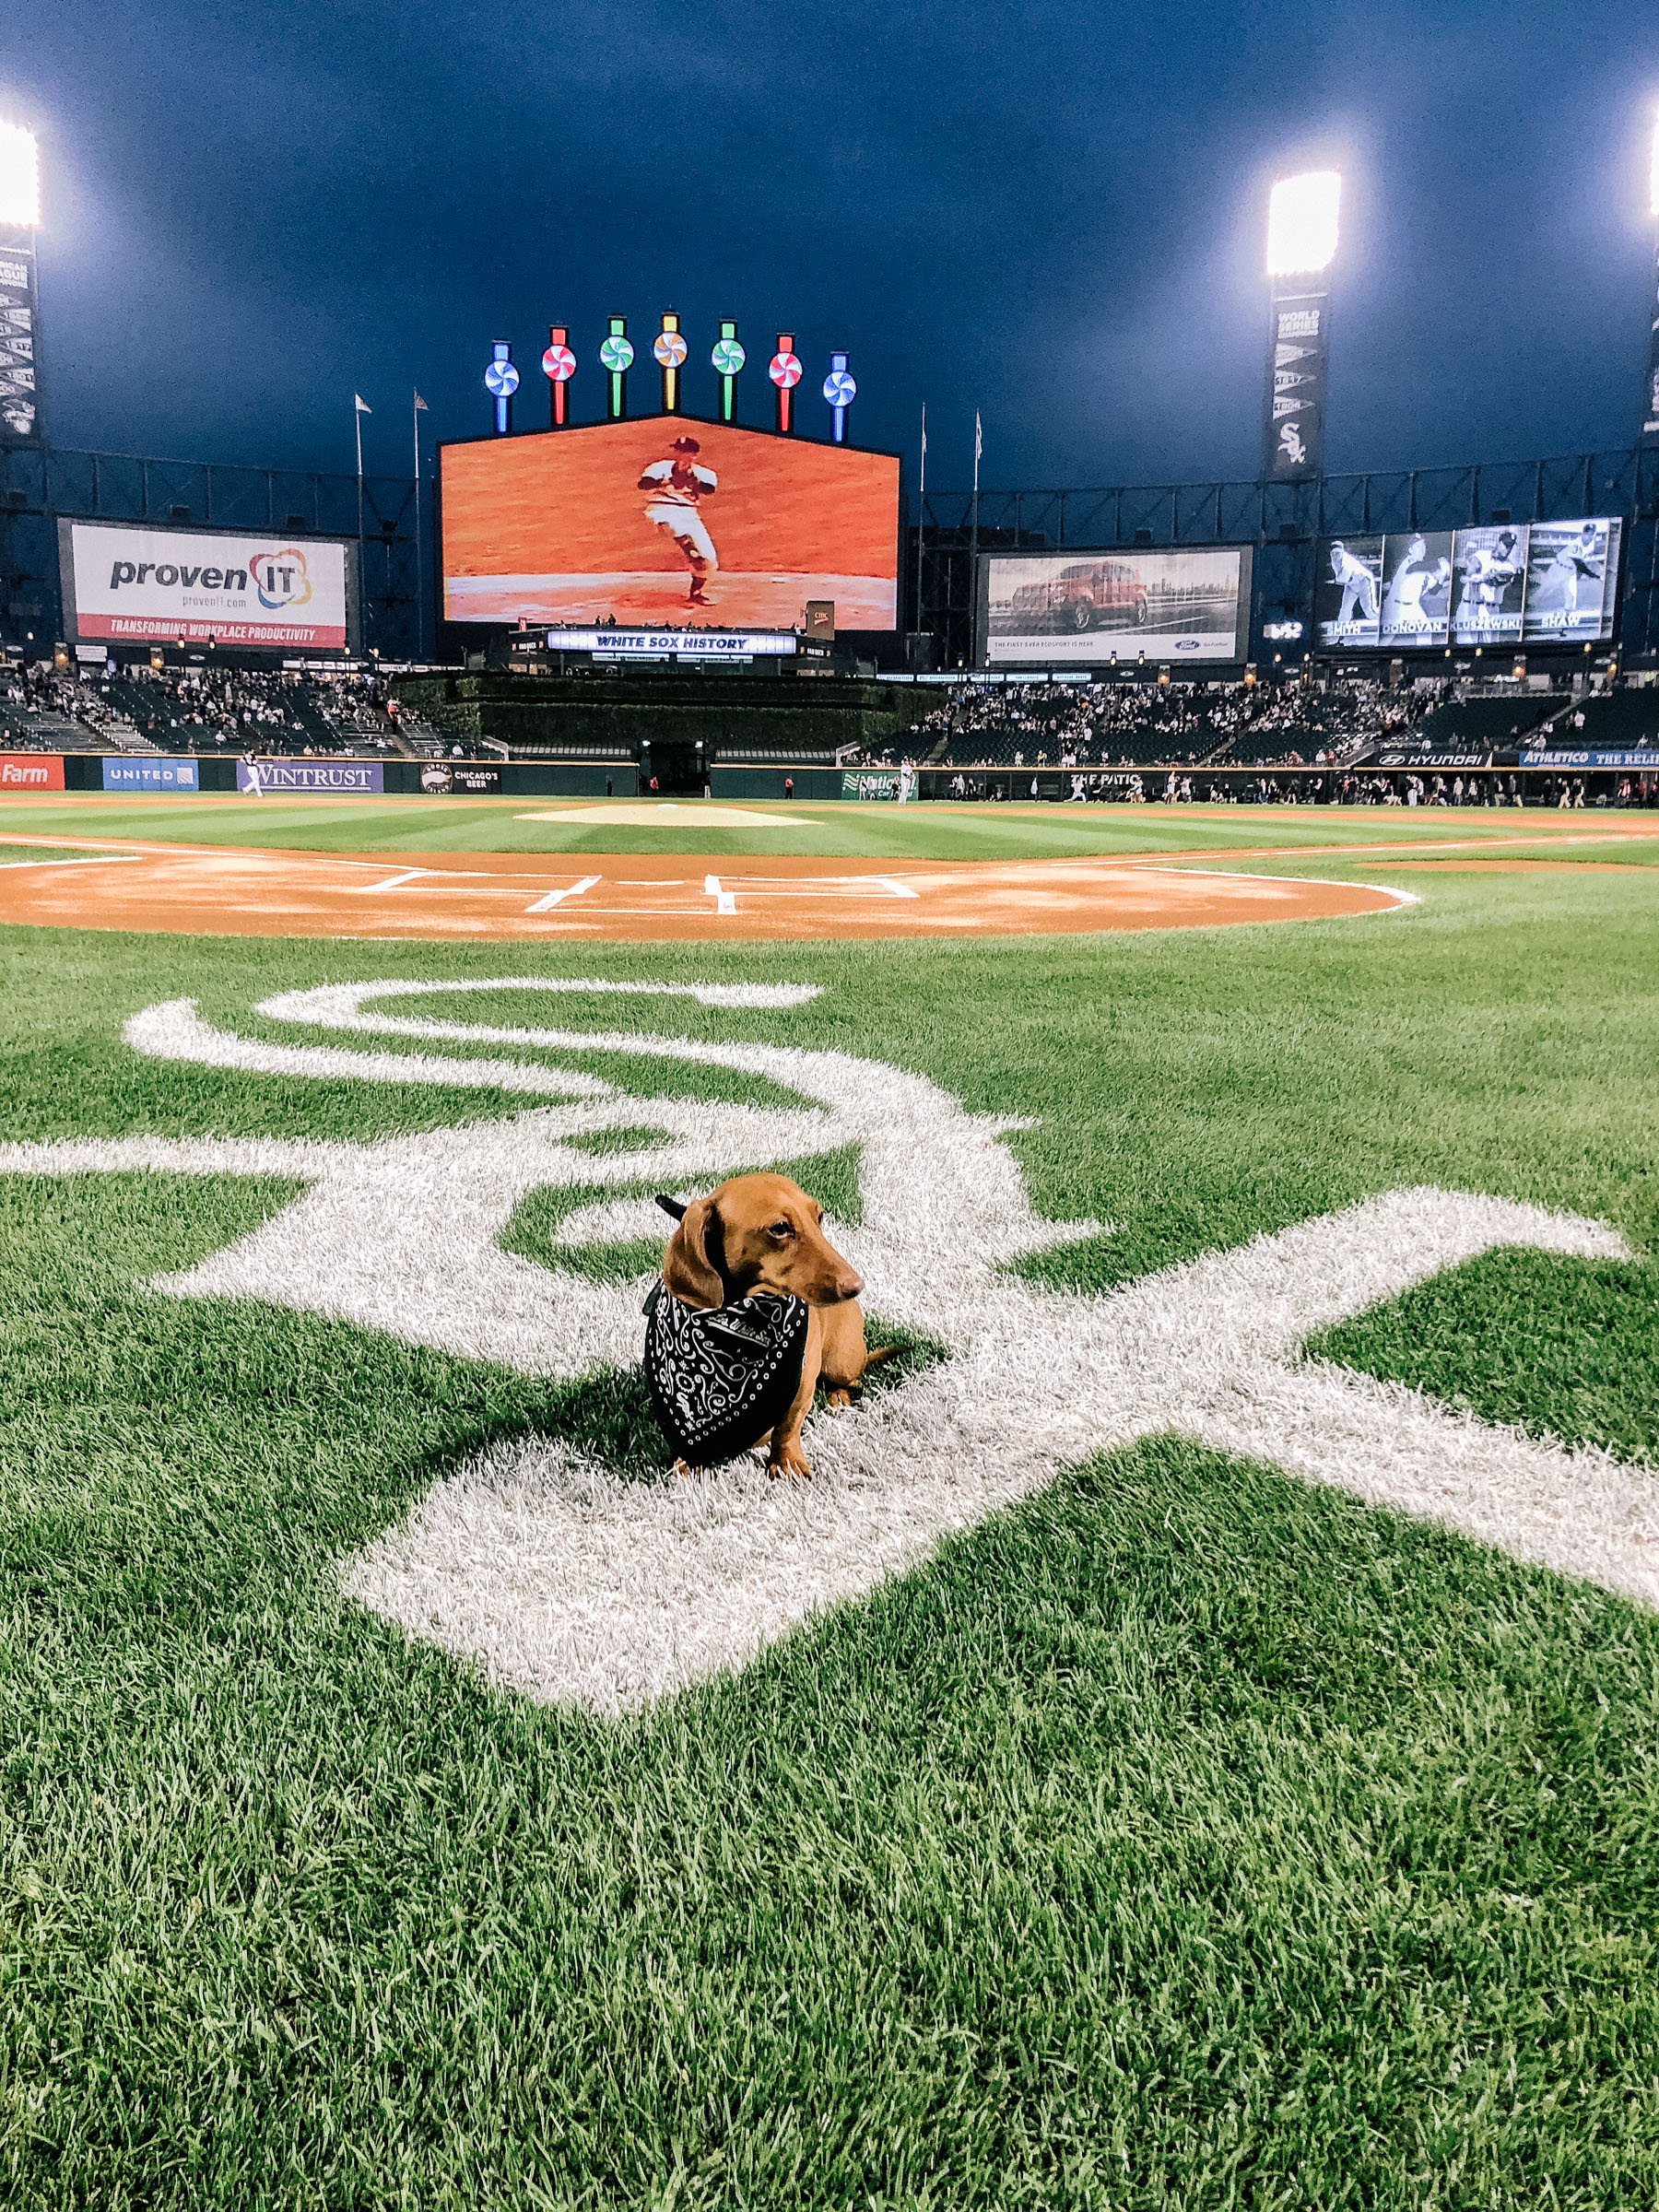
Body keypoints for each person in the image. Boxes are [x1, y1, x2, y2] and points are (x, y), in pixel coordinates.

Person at [638, 435, 719, 606]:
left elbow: (709, 490)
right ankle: (690, 550)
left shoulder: (704, 473)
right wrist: (667, 480)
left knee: (710, 559)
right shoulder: (659, 467)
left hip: (689, 514)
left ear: (694, 455)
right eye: (677, 450)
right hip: (661, 510)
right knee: (672, 524)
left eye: (684, 451)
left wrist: (691, 479)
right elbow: (643, 484)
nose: (678, 454)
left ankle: (696, 593)